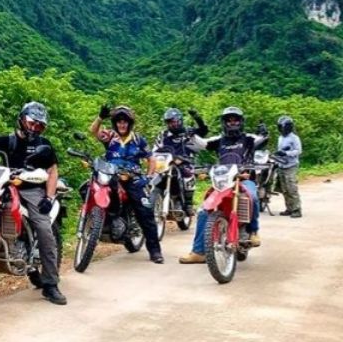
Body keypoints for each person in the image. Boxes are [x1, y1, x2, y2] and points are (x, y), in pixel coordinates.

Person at [0, 102, 67, 305]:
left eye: (39, 126)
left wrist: (49, 198)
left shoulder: (44, 145)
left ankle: (50, 284)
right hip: (4, 187)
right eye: (32, 123)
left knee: (44, 230)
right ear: (22, 120)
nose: (35, 128)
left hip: (32, 191)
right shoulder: (8, 140)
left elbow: (52, 171)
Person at [179, 106, 268, 264]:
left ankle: (253, 231)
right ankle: (199, 252)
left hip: (243, 179)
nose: (232, 122)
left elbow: (261, 140)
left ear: (241, 122)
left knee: (252, 197)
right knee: (204, 211)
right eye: (229, 120)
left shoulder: (248, 138)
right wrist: (192, 135)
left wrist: (264, 134)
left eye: (235, 120)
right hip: (223, 181)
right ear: (224, 122)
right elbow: (202, 143)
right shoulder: (219, 140)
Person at [90, 104, 164, 264]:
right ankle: (106, 223)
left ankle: (155, 251)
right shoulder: (110, 136)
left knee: (145, 211)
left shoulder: (138, 139)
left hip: (133, 178)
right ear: (115, 123)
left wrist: (149, 177)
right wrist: (100, 117)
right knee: (89, 189)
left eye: (125, 122)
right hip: (111, 176)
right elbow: (93, 131)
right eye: (119, 121)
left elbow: (151, 159)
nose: (122, 124)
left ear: (129, 123)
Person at [151, 107, 208, 216]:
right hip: (166, 163)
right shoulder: (163, 135)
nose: (172, 124)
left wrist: (197, 118)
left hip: (185, 161)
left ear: (180, 120)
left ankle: (188, 203)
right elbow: (155, 149)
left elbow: (203, 131)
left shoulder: (188, 132)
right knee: (152, 176)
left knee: (187, 173)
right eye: (169, 122)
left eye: (174, 121)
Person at [275, 115, 303, 218]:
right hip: (281, 165)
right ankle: (289, 208)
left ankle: (297, 210)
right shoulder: (280, 138)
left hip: (291, 165)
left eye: (282, 127)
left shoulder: (294, 138)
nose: (281, 129)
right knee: (284, 189)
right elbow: (280, 150)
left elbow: (298, 151)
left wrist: (286, 153)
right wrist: (278, 154)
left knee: (292, 188)